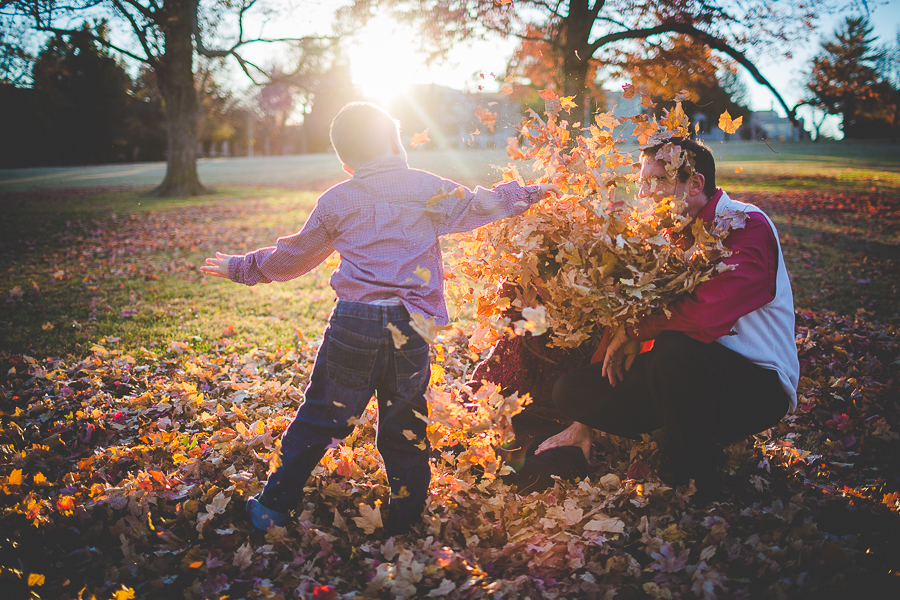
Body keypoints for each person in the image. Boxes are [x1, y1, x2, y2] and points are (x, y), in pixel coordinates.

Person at [200, 101, 558, 535]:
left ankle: (274, 505)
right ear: (394, 141)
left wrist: (241, 267)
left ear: (345, 161)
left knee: (321, 416)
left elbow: (293, 257)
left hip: (356, 322)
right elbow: (480, 206)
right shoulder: (426, 187)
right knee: (406, 421)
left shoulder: (338, 200)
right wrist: (530, 193)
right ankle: (407, 515)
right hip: (413, 326)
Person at [536, 137, 799, 499]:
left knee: (677, 348)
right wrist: (584, 424)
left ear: (695, 183)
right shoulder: (668, 239)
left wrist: (637, 329)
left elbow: (708, 314)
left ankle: (697, 486)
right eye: (643, 182)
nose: (645, 193)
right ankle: (679, 433)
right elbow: (628, 322)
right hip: (682, 379)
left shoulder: (744, 224)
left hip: (755, 385)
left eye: (657, 181)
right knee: (573, 390)